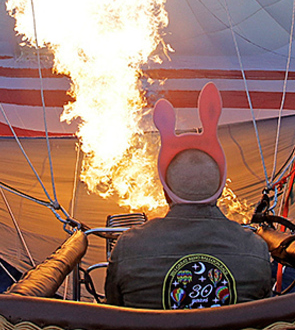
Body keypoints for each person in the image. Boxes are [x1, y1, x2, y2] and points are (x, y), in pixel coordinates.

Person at [105, 82, 272, 309]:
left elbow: (114, 309)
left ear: (166, 193)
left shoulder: (128, 246)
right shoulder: (256, 248)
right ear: (220, 190)